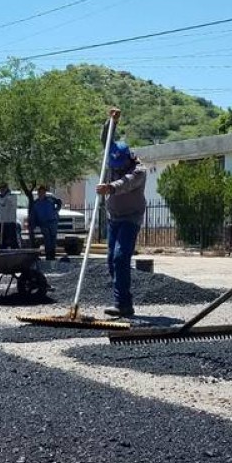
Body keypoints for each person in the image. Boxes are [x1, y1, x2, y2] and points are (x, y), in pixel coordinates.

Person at [96, 107, 147, 317]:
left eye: (119, 167)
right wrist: (112, 122)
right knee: (111, 260)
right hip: (113, 217)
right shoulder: (114, 161)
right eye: (113, 168)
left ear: (128, 159)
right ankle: (121, 299)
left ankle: (123, 304)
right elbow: (105, 140)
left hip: (130, 218)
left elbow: (126, 183)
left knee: (120, 257)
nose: (115, 170)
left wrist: (110, 187)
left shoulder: (139, 171)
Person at [29, 185, 61, 260]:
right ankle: (48, 256)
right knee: (47, 240)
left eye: (43, 192)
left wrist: (56, 210)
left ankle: (52, 256)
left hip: (53, 222)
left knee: (53, 240)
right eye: (40, 192)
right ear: (38, 193)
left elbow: (59, 202)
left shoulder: (50, 199)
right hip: (43, 224)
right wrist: (33, 225)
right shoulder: (35, 203)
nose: (41, 194)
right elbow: (33, 215)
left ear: (45, 193)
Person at [0, 182, 19, 249]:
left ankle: (15, 257)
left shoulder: (12, 196)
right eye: (0, 187)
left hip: (9, 223)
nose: (2, 189)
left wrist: (6, 196)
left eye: (3, 187)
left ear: (7, 188)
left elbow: (10, 205)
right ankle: (4, 257)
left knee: (13, 243)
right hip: (0, 224)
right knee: (2, 244)